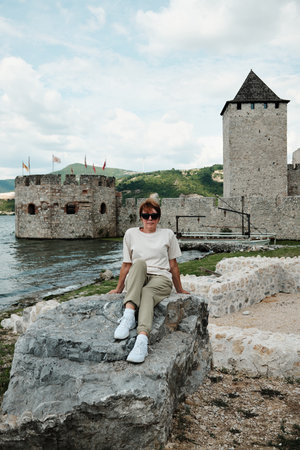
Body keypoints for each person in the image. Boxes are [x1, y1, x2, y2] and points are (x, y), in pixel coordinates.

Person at [109, 198, 189, 363]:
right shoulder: (131, 234)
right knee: (138, 264)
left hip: (161, 278)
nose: (150, 219)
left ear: (159, 217)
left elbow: (173, 265)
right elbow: (126, 264)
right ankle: (129, 315)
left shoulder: (167, 234)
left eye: (154, 215)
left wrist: (179, 289)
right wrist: (118, 289)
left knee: (147, 292)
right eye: (146, 215)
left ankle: (142, 340)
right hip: (139, 276)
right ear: (141, 217)